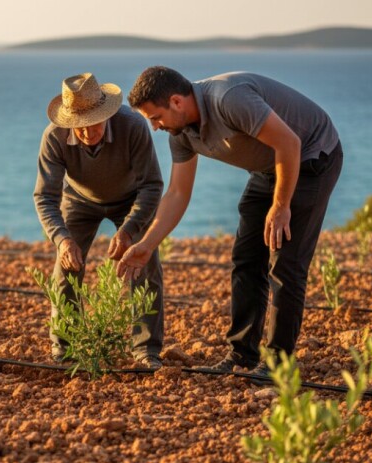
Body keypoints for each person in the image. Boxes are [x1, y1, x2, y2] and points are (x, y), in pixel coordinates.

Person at [118, 67, 343, 377]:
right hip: (268, 168)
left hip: (311, 158)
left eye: (156, 118)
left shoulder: (229, 99)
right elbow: (177, 194)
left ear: (176, 102)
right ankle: (242, 355)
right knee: (246, 259)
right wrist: (147, 244)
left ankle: (278, 365)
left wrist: (281, 206)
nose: (155, 127)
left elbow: (290, 144)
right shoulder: (181, 134)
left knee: (286, 263)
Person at [34, 72, 165, 369]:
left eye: (93, 123)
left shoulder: (132, 126)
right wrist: (62, 240)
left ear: (107, 114)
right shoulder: (54, 137)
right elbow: (45, 197)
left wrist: (130, 229)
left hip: (131, 198)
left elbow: (152, 185)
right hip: (79, 200)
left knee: (144, 263)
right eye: (78, 126)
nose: (86, 132)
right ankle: (65, 347)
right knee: (65, 268)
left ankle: (146, 349)